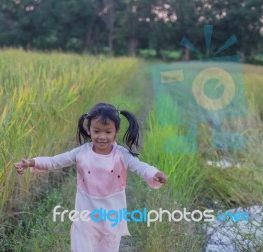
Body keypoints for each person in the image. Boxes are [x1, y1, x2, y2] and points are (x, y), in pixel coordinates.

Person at [14, 102, 167, 252]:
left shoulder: (121, 154)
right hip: (85, 211)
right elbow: (55, 161)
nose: (102, 137)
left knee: (108, 246)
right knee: (82, 246)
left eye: (108, 132)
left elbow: (140, 167)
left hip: (112, 213)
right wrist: (31, 162)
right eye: (97, 131)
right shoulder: (81, 153)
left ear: (116, 131)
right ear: (89, 130)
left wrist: (154, 173)